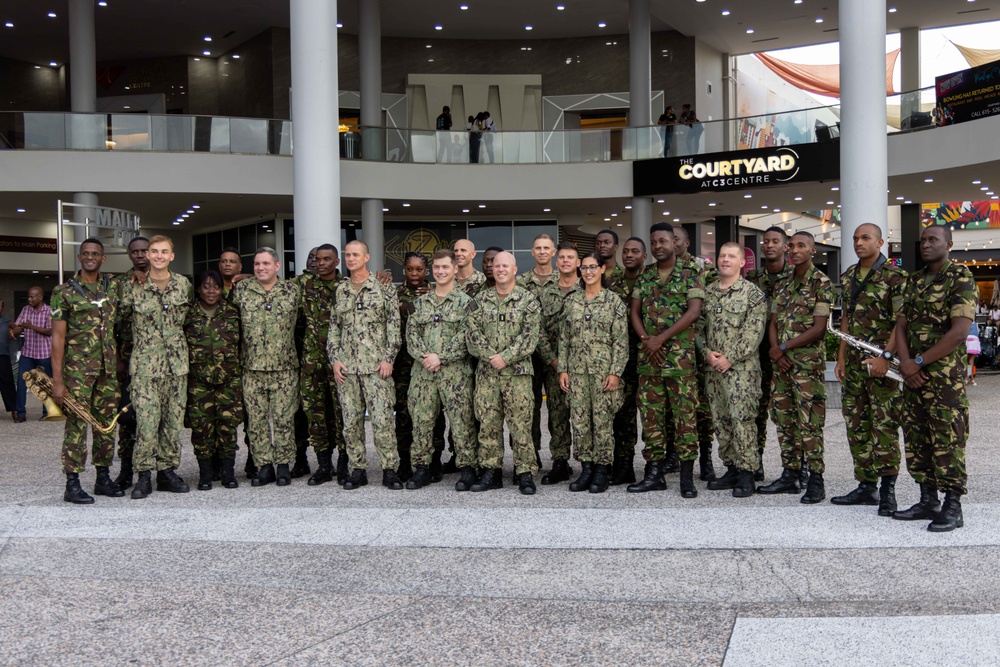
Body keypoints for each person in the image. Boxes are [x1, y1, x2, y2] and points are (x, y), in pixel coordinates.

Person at [893, 225, 976, 532]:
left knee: (947, 438)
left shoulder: (961, 278)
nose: (926, 245)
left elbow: (959, 332)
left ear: (949, 244)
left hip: (944, 380)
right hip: (913, 375)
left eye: (933, 240)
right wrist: (905, 363)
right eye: (923, 241)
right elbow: (901, 325)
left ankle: (953, 506)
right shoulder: (913, 281)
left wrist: (917, 362)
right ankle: (928, 500)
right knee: (916, 437)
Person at [831, 223, 906, 516]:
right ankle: (866, 485)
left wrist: (887, 356)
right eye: (855, 239)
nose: (858, 243)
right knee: (856, 423)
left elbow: (902, 320)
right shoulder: (849, 275)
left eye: (865, 238)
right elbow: (846, 319)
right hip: (854, 364)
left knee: (884, 425)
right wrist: (840, 359)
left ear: (880, 242)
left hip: (881, 364)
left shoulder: (896, 276)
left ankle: (888, 490)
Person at [628, 222, 705, 498]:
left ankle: (686, 477)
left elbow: (693, 312)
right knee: (651, 419)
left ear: (674, 242)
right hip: (649, 361)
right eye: (654, 242)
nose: (658, 246)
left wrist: (660, 339)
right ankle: (654, 474)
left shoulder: (691, 272)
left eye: (663, 241)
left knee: (685, 419)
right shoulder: (646, 275)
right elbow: (634, 311)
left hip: (680, 362)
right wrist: (646, 339)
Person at [757, 231, 834, 504]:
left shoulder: (821, 282)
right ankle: (790, 474)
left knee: (809, 423)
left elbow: (819, 328)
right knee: (784, 421)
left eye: (801, 246)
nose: (794, 250)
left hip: (806, 367)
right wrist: (776, 353)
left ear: (813, 250)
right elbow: (773, 321)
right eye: (791, 246)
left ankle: (815, 478)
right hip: (782, 366)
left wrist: (784, 348)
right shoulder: (783, 282)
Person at [49, 238, 124, 504]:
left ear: (103, 258)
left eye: (96, 253)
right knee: (78, 424)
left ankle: (103, 478)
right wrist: (57, 380)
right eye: (86, 253)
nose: (90, 257)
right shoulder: (64, 291)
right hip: (77, 372)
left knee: (105, 425)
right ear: (79, 257)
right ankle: (72, 483)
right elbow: (57, 338)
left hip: (108, 370)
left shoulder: (113, 286)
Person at [119, 235, 193, 499]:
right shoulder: (131, 286)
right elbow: (119, 321)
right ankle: (143, 476)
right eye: (154, 251)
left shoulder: (184, 285)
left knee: (173, 424)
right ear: (147, 255)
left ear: (172, 256)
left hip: (177, 367)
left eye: (164, 251)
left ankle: (167, 473)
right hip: (145, 368)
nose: (159, 255)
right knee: (147, 425)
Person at [328, 240, 402, 490]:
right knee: (351, 423)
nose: (351, 259)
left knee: (383, 422)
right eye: (347, 255)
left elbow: (394, 326)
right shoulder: (341, 290)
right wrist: (335, 359)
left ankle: (390, 469)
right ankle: (357, 469)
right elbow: (334, 330)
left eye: (355, 254)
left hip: (376, 369)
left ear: (366, 257)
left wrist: (388, 358)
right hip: (348, 370)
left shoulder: (383, 287)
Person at [466, 251, 541, 494]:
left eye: (505, 266)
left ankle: (525, 472)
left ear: (515, 269)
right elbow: (472, 333)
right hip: (487, 375)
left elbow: (530, 337)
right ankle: (491, 471)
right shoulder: (480, 300)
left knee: (521, 425)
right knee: (488, 423)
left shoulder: (528, 300)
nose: (500, 270)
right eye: (496, 266)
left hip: (517, 375)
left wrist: (505, 357)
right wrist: (491, 356)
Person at [697, 243, 768, 498]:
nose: (725, 260)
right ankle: (731, 468)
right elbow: (697, 328)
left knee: (743, 421)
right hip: (714, 371)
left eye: (731, 256)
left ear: (741, 263)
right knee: (721, 420)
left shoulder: (753, 294)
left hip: (742, 372)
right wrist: (706, 352)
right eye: (722, 256)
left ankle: (747, 473)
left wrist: (729, 358)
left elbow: (753, 333)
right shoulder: (708, 293)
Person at [406, 249, 477, 490]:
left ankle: (467, 468)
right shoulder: (420, 303)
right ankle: (422, 468)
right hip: (424, 374)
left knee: (461, 422)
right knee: (422, 421)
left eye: (445, 267)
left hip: (455, 374)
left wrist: (441, 357)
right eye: (436, 268)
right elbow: (411, 334)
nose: (440, 271)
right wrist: (427, 357)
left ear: (455, 269)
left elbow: (467, 336)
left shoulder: (467, 304)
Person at [558, 252, 628, 493]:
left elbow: (620, 340)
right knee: (579, 422)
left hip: (603, 374)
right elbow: (564, 339)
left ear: (602, 269)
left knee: (602, 421)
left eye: (592, 267)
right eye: (584, 268)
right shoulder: (571, 301)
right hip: (576, 373)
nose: (588, 272)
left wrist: (615, 372)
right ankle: (586, 468)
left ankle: (601, 470)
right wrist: (563, 369)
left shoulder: (613, 302)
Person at [231, 247, 300, 487]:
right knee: (257, 421)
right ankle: (264, 466)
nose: (261, 268)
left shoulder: (292, 290)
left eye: (266, 264)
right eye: (257, 264)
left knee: (283, 419)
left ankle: (283, 466)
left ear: (277, 266)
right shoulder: (241, 291)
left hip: (285, 368)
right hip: (252, 368)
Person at [183, 269, 243, 490]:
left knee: (228, 428)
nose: (211, 291)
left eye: (216, 286)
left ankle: (228, 474)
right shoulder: (188, 314)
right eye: (206, 286)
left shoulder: (233, 312)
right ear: (198, 288)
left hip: (229, 381)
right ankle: (206, 475)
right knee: (201, 430)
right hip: (199, 382)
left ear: (222, 289)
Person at [297, 243, 349, 486]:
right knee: (316, 414)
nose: (321, 263)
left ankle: (344, 462)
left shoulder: (347, 287)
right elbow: (272, 285)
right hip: (313, 362)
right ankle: (324, 465)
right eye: (318, 259)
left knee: (342, 413)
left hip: (340, 362)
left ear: (336, 262)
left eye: (327, 259)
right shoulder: (303, 284)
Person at [745, 227, 793, 481]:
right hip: (758, 355)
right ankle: (756, 463)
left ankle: (796, 468)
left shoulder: (795, 277)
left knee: (790, 413)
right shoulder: (752, 278)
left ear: (786, 246)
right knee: (757, 411)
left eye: (775, 241)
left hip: (789, 356)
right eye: (766, 242)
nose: (769, 245)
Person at [394, 252, 445, 481]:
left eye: (419, 269)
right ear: (404, 269)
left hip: (431, 364)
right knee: (404, 414)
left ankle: (434, 461)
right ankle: (405, 461)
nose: (414, 274)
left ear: (427, 270)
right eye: (410, 269)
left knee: (434, 415)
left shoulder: (438, 292)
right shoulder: (394, 294)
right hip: (404, 365)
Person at [674, 225, 718, 481]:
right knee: (674, 409)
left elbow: (710, 304)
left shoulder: (702, 268)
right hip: (674, 352)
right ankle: (674, 455)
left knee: (702, 408)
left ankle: (706, 457)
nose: (672, 244)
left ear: (686, 242)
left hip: (698, 347)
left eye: (676, 240)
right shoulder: (659, 271)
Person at [537, 241, 582, 484]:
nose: (565, 261)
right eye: (562, 257)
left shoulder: (587, 289)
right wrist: (554, 361)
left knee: (585, 414)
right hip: (554, 365)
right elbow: (539, 330)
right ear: (557, 261)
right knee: (557, 414)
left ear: (578, 263)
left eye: (570, 258)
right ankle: (560, 461)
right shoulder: (547, 292)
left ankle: (589, 460)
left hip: (584, 366)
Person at [606, 236, 648, 484]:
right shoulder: (611, 284)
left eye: (635, 251)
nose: (629, 254)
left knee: (656, 414)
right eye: (626, 251)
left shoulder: (652, 280)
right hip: (622, 360)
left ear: (644, 256)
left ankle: (662, 461)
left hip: (652, 356)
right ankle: (624, 463)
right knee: (623, 412)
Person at [110, 235, 149, 490]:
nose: (140, 255)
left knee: (155, 419)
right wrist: (117, 361)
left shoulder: (168, 281)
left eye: (144, 250)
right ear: (129, 255)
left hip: (158, 363)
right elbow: (109, 327)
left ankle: (159, 470)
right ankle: (125, 471)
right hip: (127, 361)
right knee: (127, 418)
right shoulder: (118, 284)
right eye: (135, 251)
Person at [517, 233, 557, 472]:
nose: (542, 251)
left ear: (553, 252)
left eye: (546, 248)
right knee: (527, 409)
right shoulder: (521, 282)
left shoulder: (566, 280)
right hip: (528, 357)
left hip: (555, 358)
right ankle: (530, 456)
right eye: (538, 248)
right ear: (532, 252)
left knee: (558, 409)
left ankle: (560, 458)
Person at [11, 286, 53, 422]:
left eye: (32, 296)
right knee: (22, 383)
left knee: (45, 384)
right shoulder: (25, 310)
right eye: (29, 296)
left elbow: (50, 331)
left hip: (44, 353)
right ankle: (21, 413)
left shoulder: (49, 310)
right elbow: (17, 328)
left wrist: (32, 327)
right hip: (27, 353)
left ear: (40, 297)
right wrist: (16, 330)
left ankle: (47, 412)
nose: (29, 299)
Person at [0, 300, 17, 420]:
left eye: (0, 306)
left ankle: (14, 410)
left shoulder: (6, 320)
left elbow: (16, 327)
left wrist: (13, 332)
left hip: (3, 356)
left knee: (8, 383)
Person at [966, 320, 980, 386]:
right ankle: (971, 379)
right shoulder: (976, 324)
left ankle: (968, 378)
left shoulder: (965, 322)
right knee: (971, 361)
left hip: (967, 340)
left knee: (966, 361)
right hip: (974, 341)